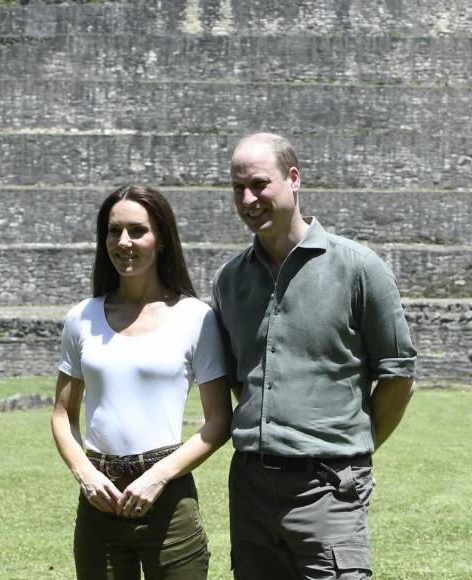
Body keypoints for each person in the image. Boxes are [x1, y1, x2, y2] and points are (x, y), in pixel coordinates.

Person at [211, 133, 417, 578]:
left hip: (329, 487)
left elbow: (398, 377)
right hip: (250, 488)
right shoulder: (229, 282)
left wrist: (350, 452)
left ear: (294, 178)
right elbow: (237, 381)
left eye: (260, 184)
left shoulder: (360, 268)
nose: (248, 199)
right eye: (237, 187)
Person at [51, 184, 232, 579]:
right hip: (99, 500)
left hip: (168, 500)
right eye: (114, 231)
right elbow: (63, 414)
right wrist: (85, 473)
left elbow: (218, 421)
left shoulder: (195, 317)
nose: (124, 242)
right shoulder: (81, 317)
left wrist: (158, 477)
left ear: (162, 239)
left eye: (137, 231)